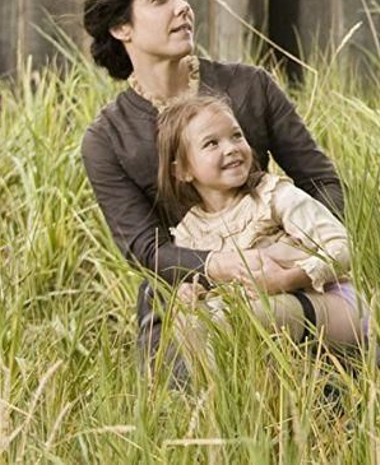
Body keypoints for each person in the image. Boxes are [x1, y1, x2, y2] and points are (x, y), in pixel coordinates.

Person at [80, 0, 348, 375]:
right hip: (186, 293)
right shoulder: (107, 140)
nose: (182, 7)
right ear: (120, 26)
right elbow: (146, 251)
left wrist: (296, 250)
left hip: (286, 265)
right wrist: (220, 265)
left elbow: (321, 183)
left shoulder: (249, 87)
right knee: (191, 400)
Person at [156, 92, 365, 370]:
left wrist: (287, 279)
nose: (230, 148)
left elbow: (343, 246)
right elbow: (195, 287)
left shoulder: (274, 196)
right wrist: (189, 292)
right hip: (261, 318)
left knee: (239, 318)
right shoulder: (189, 231)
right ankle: (222, 404)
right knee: (191, 321)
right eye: (211, 143)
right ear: (182, 170)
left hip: (333, 304)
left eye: (236, 136)